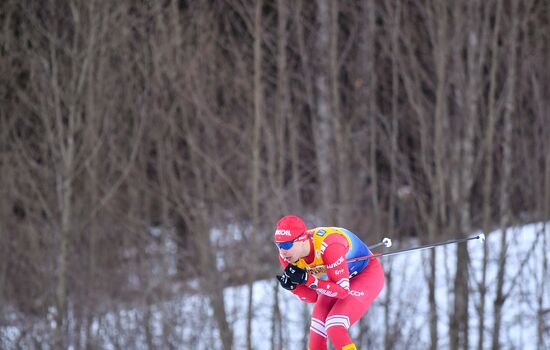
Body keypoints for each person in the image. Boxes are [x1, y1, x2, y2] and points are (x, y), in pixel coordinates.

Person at [274, 215, 384, 350]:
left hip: (365, 274)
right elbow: (313, 297)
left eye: (286, 245)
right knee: (317, 332)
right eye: (278, 245)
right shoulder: (288, 257)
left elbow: (342, 291)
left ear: (301, 240)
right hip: (336, 280)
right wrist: (294, 288)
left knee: (335, 325)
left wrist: (307, 280)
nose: (282, 251)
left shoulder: (330, 245)